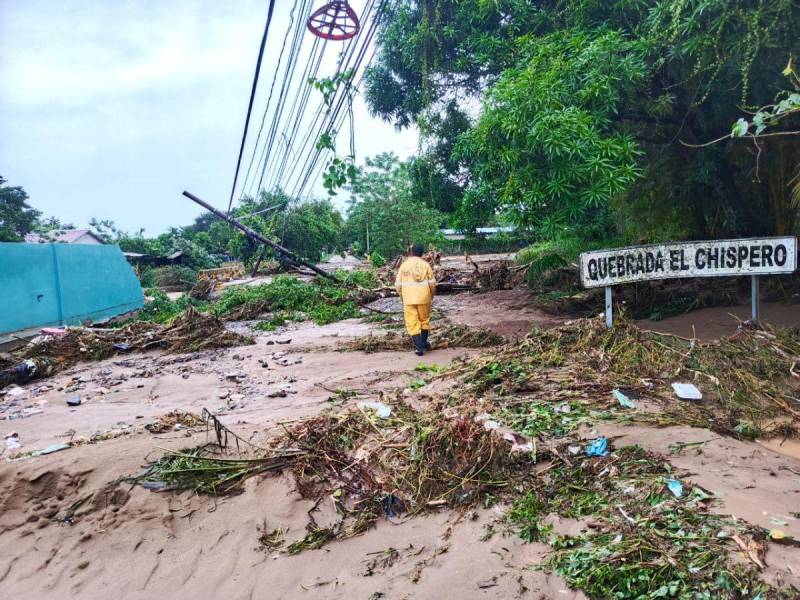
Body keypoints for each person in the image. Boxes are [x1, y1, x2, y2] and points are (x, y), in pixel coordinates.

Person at [395, 244, 437, 356]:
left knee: (412, 323)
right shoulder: (426, 265)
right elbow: (432, 284)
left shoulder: (404, 266)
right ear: (422, 253)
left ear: (411, 253)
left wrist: (401, 296)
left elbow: (398, 285)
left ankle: (419, 348)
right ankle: (423, 343)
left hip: (409, 299)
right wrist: (431, 295)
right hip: (424, 298)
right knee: (424, 321)